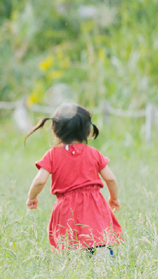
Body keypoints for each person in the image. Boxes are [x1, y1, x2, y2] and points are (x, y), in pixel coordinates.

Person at [26, 103, 123, 253]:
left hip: (66, 207)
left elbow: (39, 180)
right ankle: (104, 266)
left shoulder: (52, 155)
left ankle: (68, 267)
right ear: (88, 130)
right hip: (94, 204)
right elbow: (110, 179)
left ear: (56, 130)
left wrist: (32, 197)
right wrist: (113, 198)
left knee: (68, 243)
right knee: (98, 239)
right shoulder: (94, 153)